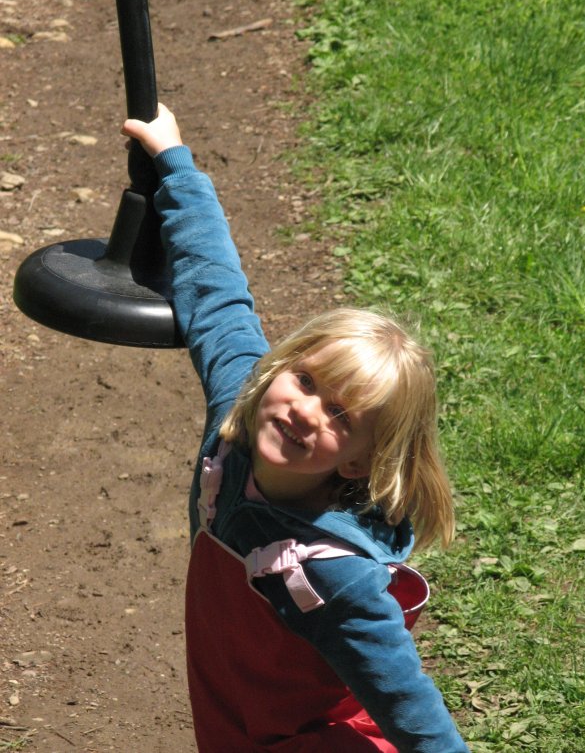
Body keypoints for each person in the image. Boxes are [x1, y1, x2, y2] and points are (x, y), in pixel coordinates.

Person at [121, 104, 470, 753]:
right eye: (307, 381)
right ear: (278, 368)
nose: (306, 408)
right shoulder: (241, 405)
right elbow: (216, 288)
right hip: (238, 720)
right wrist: (174, 162)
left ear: (359, 463)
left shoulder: (334, 575)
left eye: (341, 415)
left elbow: (406, 700)